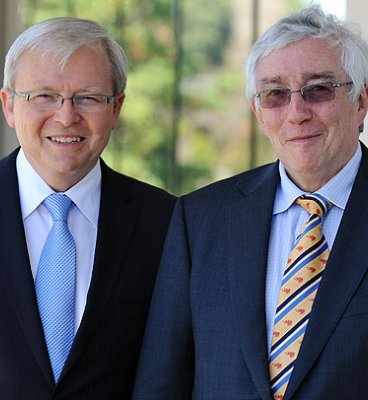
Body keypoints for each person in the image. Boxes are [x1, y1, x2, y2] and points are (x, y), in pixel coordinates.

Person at [132, 6, 368, 400]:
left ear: (361, 101)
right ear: (258, 112)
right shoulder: (200, 219)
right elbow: (161, 384)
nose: (297, 113)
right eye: (275, 94)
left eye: (319, 89)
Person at [0, 17, 176, 399]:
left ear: (116, 109)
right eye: (43, 96)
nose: (66, 116)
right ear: (9, 105)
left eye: (88, 98)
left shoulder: (166, 223)